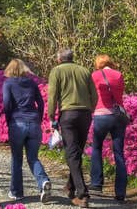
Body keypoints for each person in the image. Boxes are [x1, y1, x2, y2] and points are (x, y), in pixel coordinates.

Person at [47, 49, 98, 208]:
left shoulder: (56, 71)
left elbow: (52, 95)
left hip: (68, 115)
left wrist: (51, 117)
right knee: (76, 152)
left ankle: (82, 194)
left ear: (59, 59)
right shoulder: (84, 70)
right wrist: (90, 110)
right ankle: (70, 186)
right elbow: (94, 95)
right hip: (85, 114)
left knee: (72, 154)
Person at [2, 59, 53, 202]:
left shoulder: (8, 83)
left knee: (17, 159)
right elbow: (41, 102)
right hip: (34, 123)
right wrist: (39, 118)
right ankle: (43, 182)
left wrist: (9, 120)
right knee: (33, 158)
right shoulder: (32, 83)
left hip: (17, 123)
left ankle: (17, 192)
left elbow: (7, 104)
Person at [90, 54, 128, 202]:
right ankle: (120, 192)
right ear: (110, 63)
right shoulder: (119, 75)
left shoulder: (95, 75)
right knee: (119, 152)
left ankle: (97, 183)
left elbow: (92, 95)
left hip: (101, 115)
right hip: (118, 116)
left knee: (97, 147)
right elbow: (120, 94)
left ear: (98, 64)